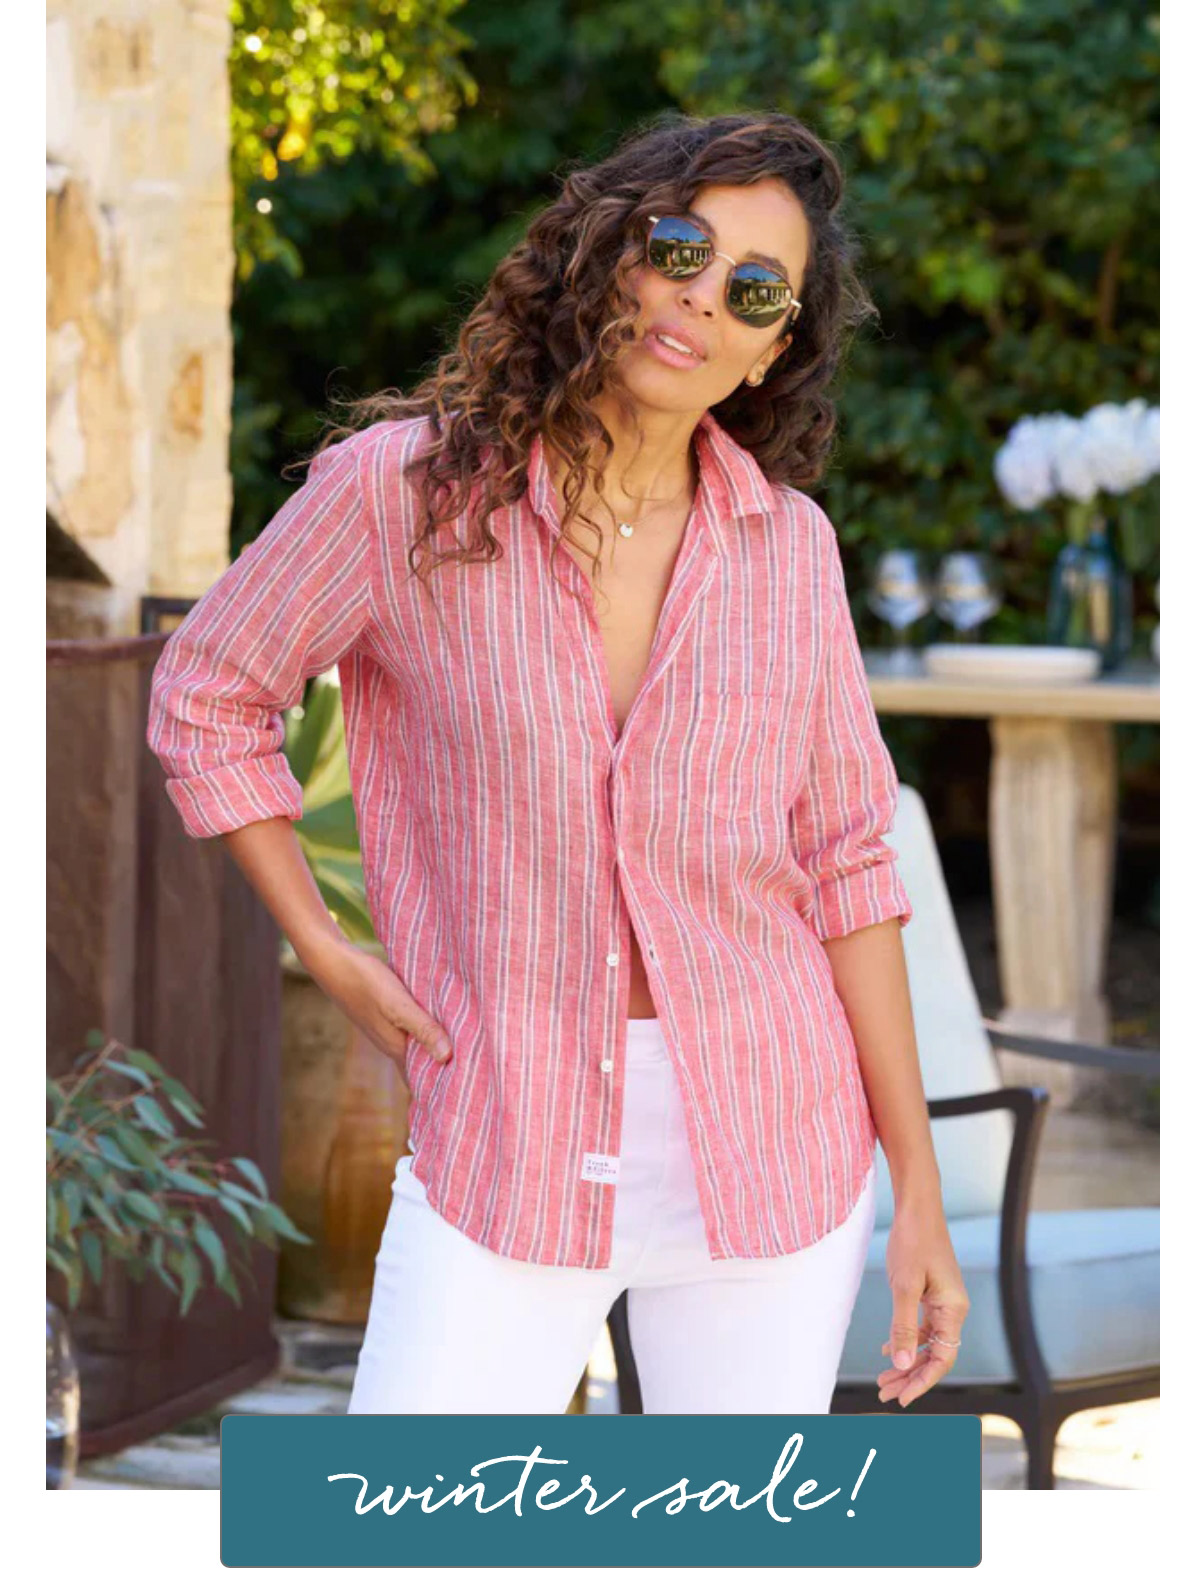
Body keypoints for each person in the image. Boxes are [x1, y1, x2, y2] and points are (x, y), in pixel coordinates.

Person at [146, 109, 969, 1415]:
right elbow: (209, 687)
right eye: (681, 247)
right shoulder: (402, 497)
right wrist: (325, 941)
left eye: (754, 291)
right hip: (508, 1128)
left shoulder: (789, 552)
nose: (701, 299)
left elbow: (849, 868)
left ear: (772, 354)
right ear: (613, 249)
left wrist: (917, 1202)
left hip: (775, 1147)